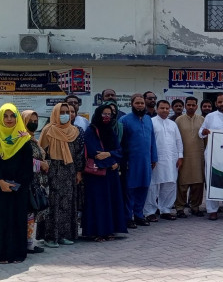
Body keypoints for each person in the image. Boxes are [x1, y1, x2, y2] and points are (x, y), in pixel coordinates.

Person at [0, 103, 32, 264]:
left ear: (17, 117)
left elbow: (27, 165)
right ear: (1, 117)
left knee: (16, 220)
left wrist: (17, 184)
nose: (9, 119)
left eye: (12, 116)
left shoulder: (24, 138)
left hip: (18, 188)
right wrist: (1, 182)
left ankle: (15, 254)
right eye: (6, 116)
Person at [39, 103, 84, 247]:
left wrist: (78, 172)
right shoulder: (48, 130)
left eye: (67, 112)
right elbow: (41, 153)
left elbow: (78, 154)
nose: (65, 115)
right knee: (53, 204)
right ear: (55, 114)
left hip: (69, 170)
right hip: (53, 170)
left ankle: (64, 235)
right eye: (61, 112)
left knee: (67, 203)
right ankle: (50, 237)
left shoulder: (74, 131)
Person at [82, 104, 127, 242]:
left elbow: (119, 150)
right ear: (98, 114)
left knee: (110, 201)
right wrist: (110, 161)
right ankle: (96, 232)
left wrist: (111, 157)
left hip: (110, 173)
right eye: (104, 114)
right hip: (97, 174)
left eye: (109, 114)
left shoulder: (110, 130)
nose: (106, 117)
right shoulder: (91, 130)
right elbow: (94, 152)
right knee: (98, 203)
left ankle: (108, 230)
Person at [119, 94, 158, 229]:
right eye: (137, 103)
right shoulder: (124, 120)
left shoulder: (148, 119)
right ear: (132, 104)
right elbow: (120, 143)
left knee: (143, 187)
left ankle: (139, 215)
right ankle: (128, 217)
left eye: (142, 103)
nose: (140, 105)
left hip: (146, 161)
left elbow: (152, 140)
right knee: (130, 189)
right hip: (131, 161)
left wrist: (154, 158)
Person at [143, 100, 184, 222]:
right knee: (153, 185)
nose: (165, 110)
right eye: (162, 108)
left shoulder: (173, 124)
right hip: (156, 159)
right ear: (157, 109)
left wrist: (180, 156)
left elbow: (178, 141)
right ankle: (149, 212)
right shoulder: (150, 122)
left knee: (170, 184)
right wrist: (150, 158)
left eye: (167, 108)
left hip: (171, 159)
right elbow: (148, 141)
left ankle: (165, 210)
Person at [21, 110, 48, 254]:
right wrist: (40, 164)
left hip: (37, 182)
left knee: (33, 214)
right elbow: (22, 161)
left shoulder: (32, 138)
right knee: (29, 214)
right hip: (28, 182)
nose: (34, 123)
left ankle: (31, 243)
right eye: (31, 120)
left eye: (36, 120)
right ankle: (27, 244)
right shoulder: (21, 139)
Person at [175, 96, 206, 217]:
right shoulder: (179, 120)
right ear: (185, 105)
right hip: (184, 156)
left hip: (199, 156)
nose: (191, 107)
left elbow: (207, 139)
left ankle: (195, 207)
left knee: (198, 183)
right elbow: (176, 140)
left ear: (197, 106)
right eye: (189, 105)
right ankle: (180, 208)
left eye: (193, 105)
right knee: (182, 183)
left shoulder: (202, 120)